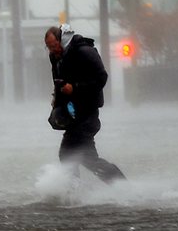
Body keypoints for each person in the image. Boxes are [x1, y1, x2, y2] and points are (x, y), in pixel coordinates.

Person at [44, 24, 125, 184]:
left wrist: (75, 88)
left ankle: (75, 191)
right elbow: (59, 81)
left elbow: (101, 78)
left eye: (54, 46)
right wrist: (57, 100)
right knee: (83, 157)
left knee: (70, 155)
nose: (52, 50)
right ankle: (117, 185)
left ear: (62, 40)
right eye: (49, 47)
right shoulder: (55, 57)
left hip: (88, 113)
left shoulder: (84, 51)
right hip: (73, 113)